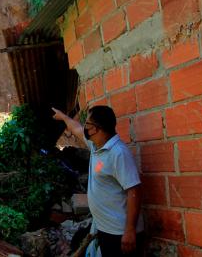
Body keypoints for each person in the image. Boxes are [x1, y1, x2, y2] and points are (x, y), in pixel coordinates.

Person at [52, 105, 144, 257]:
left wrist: (129, 231)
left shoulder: (118, 153)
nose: (85, 127)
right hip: (106, 230)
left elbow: (134, 191)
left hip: (120, 234)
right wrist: (63, 116)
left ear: (96, 128)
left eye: (87, 124)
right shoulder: (96, 146)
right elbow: (76, 128)